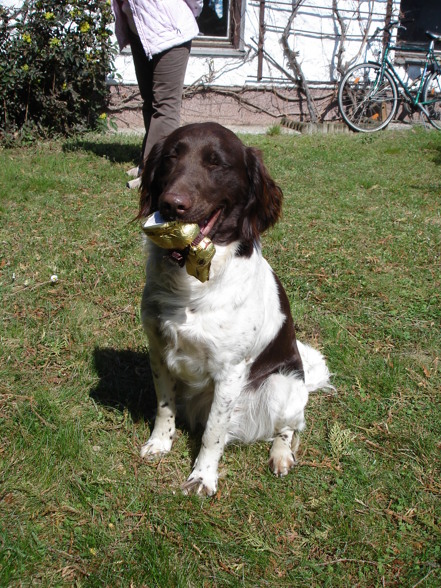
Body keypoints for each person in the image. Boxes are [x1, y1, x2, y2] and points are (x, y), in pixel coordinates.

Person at [112, 0, 203, 188]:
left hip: (169, 29)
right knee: (150, 100)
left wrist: (190, 10)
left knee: (165, 105)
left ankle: (155, 173)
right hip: (140, 30)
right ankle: (147, 161)